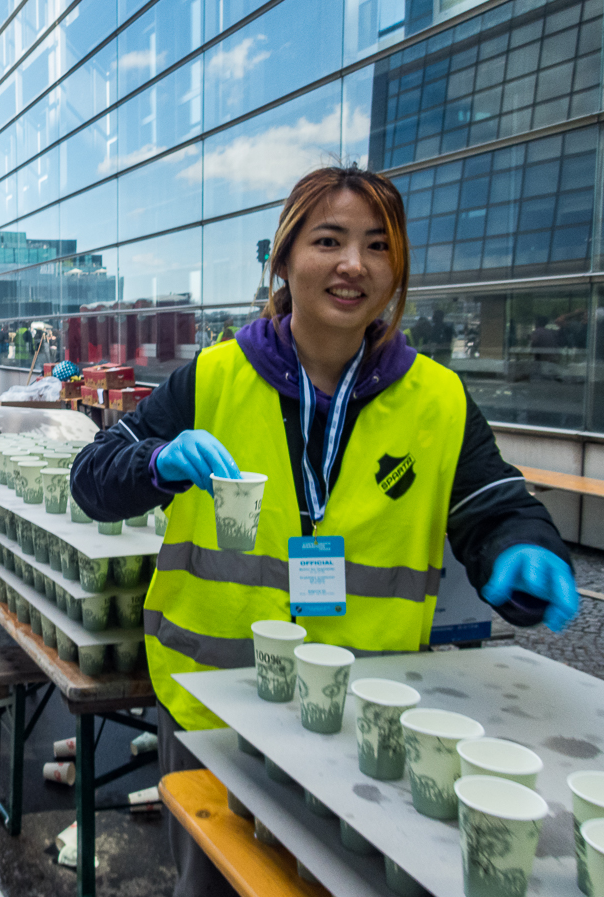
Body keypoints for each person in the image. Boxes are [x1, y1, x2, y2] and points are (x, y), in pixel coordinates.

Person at [70, 166, 579, 897]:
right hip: (214, 708)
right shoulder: (212, 378)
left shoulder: (437, 399)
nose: (353, 264)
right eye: (329, 240)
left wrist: (523, 552)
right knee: (213, 882)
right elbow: (93, 479)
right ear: (284, 258)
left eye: (377, 246)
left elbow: (496, 507)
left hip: (367, 722)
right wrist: (156, 461)